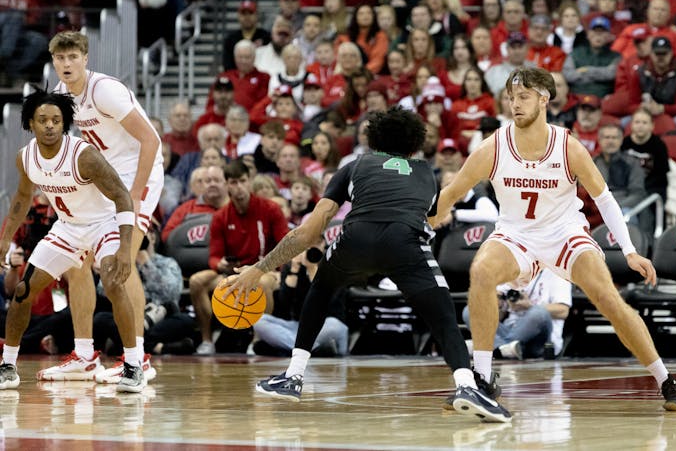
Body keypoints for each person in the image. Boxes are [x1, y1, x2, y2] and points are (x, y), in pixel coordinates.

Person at [429, 68, 676, 413]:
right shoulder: (493, 146)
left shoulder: (567, 146)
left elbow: (604, 199)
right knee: (481, 271)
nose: (515, 104)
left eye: (523, 97)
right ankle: (482, 378)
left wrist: (629, 251)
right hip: (516, 234)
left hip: (564, 232)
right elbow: (451, 193)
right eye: (511, 98)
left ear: (544, 99)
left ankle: (665, 379)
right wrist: (424, 222)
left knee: (608, 298)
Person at [222, 108, 510, 422]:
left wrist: (259, 268)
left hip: (356, 239)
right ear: (414, 143)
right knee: (443, 316)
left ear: (373, 139)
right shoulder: (426, 172)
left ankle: (293, 375)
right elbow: (431, 218)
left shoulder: (355, 165)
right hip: (405, 243)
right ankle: (467, 385)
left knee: (321, 289)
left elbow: (307, 233)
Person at [0, 90, 144, 392]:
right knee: (23, 291)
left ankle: (133, 365)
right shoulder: (26, 157)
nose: (50, 125)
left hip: (104, 224)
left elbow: (122, 196)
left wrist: (124, 247)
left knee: (113, 283)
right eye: (43, 120)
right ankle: (8, 366)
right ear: (30, 123)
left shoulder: (83, 155)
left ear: (64, 122)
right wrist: (5, 239)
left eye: (56, 120)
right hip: (68, 228)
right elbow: (22, 198)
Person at [47, 32, 161, 384]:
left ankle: (138, 359)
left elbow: (151, 139)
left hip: (139, 174)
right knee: (76, 260)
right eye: (60, 58)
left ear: (85, 58)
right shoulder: (61, 95)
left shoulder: (104, 90)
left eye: (73, 57)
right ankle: (84, 355)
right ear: (54, 62)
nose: (67, 64)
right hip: (105, 176)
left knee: (120, 262)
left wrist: (136, 194)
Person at [189, 160, 288, 355]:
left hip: (265, 270)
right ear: (227, 185)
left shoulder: (270, 209)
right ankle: (207, 340)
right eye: (234, 182)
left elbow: (286, 246)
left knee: (263, 283)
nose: (239, 187)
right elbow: (214, 256)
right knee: (196, 281)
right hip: (234, 272)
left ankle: (258, 340)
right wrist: (220, 263)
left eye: (242, 181)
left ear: (250, 181)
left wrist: (279, 270)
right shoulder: (220, 216)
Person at [462, 267, 572, 360]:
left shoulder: (558, 274)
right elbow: (499, 316)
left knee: (538, 313)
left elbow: (563, 311)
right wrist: (497, 304)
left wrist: (529, 306)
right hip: (510, 331)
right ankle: (503, 350)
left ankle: (491, 347)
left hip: (538, 340)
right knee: (472, 310)